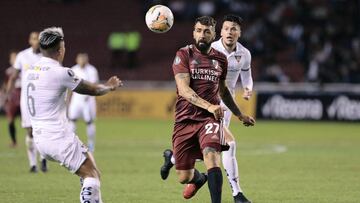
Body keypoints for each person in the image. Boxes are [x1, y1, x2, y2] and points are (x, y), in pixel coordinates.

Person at [161, 14, 254, 203]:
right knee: (184, 177)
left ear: (213, 35)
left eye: (206, 32)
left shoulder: (222, 59)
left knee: (213, 155)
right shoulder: (183, 54)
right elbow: (184, 90)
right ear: (194, 33)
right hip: (186, 118)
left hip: (211, 118)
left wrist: (240, 114)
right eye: (198, 31)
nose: (202, 35)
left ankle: (235, 194)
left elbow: (224, 92)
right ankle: (196, 175)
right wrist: (209, 105)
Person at [24, 27, 122, 203]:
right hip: (58, 137)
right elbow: (92, 90)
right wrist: (109, 86)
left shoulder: (31, 70)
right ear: (60, 50)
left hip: (40, 138)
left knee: (90, 172)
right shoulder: (61, 72)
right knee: (92, 176)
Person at [6, 31, 48, 173]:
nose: (36, 41)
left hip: (43, 98)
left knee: (42, 130)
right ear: (30, 41)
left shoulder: (47, 56)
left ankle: (42, 158)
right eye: (34, 38)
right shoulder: (22, 56)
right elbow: (13, 76)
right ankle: (33, 163)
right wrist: (8, 93)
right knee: (30, 131)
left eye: (38, 39)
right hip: (27, 99)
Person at [68, 53, 99, 152]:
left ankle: (91, 143)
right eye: (80, 59)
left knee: (89, 122)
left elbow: (94, 85)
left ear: (87, 60)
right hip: (76, 100)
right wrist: (68, 100)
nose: (82, 61)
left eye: (83, 59)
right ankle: (71, 143)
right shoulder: (73, 70)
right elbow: (69, 87)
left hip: (87, 100)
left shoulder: (92, 70)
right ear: (77, 60)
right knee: (72, 121)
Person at [3, 50, 21, 147]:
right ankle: (14, 141)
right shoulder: (8, 71)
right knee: (10, 120)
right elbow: (6, 85)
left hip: (23, 96)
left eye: (15, 57)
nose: (14, 60)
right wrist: (5, 96)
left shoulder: (24, 69)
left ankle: (33, 140)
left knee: (30, 122)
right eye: (12, 58)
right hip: (13, 97)